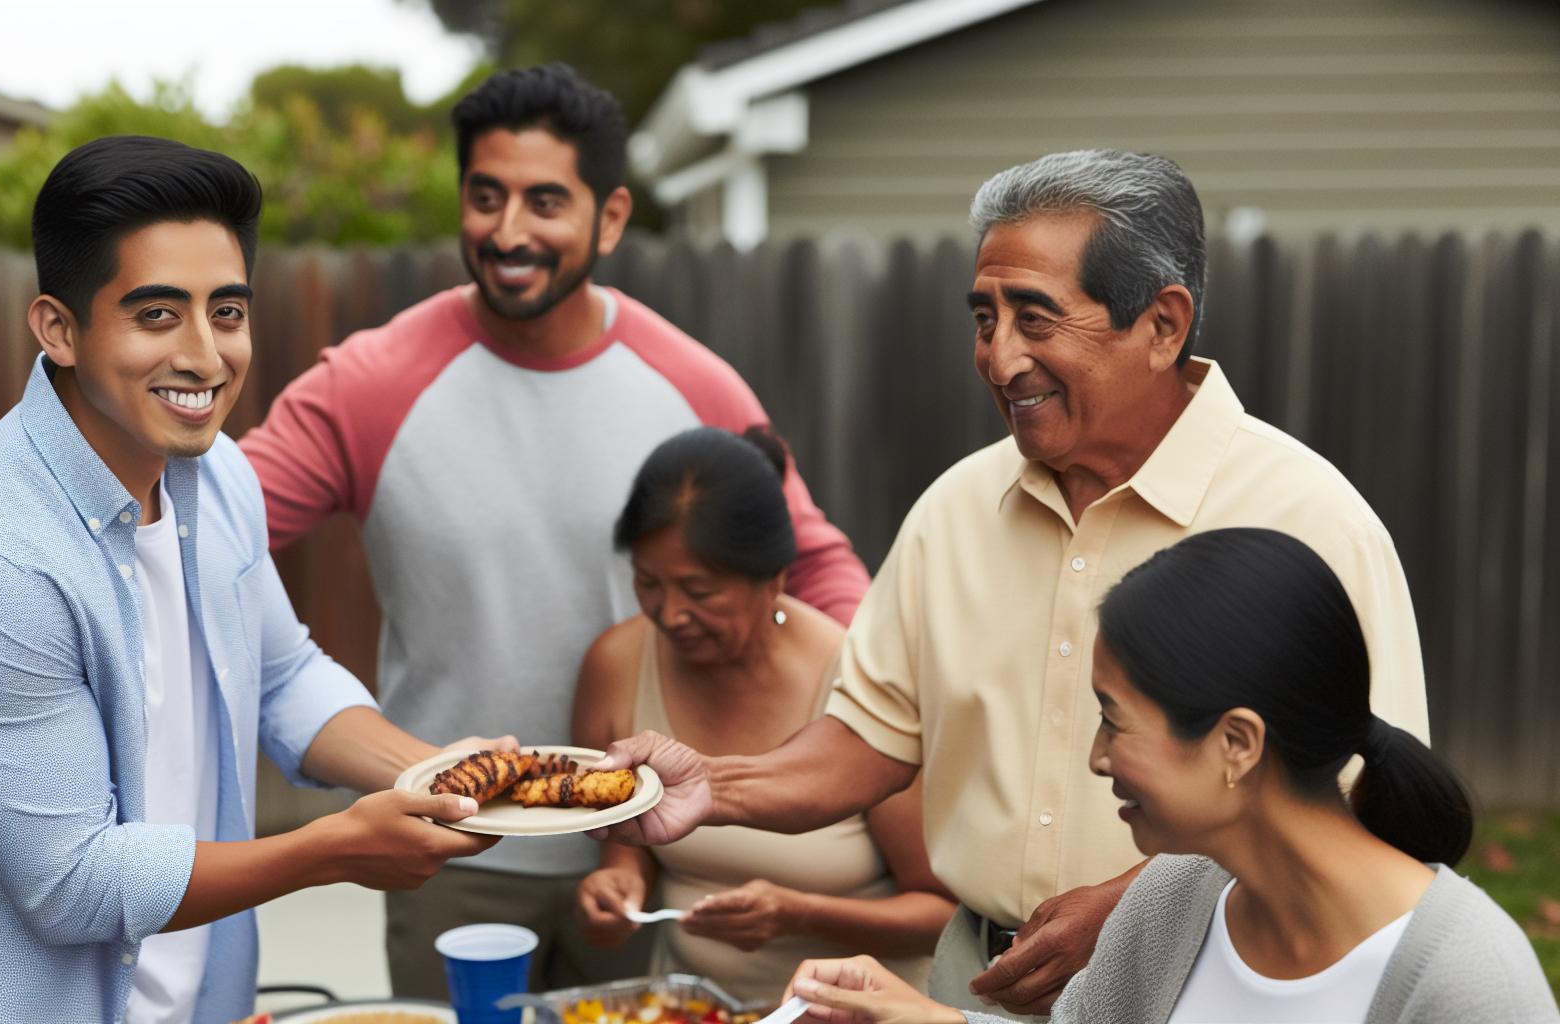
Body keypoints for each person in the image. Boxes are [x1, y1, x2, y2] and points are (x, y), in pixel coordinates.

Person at [595, 149, 1429, 1019]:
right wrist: (707, 788)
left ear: (1163, 324)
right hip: (972, 982)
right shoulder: (954, 511)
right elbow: (866, 741)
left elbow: (1368, 801)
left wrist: (1138, 910)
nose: (999, 358)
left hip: (1211, 987)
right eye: (984, 318)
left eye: (1036, 318)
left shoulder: (1309, 518)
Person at [238, 64, 870, 996]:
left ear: (611, 217)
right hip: (447, 850)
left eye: (544, 201)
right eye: (485, 196)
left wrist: (843, 742)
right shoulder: (369, 384)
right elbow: (211, 531)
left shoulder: (692, 384)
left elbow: (813, 565)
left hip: (634, 849)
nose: (507, 231)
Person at [0, 136, 501, 1024]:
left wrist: (446, 776)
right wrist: (333, 850)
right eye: (157, 315)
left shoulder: (221, 476)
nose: (205, 355)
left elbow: (282, 677)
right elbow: (75, 881)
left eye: (226, 312)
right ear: (59, 329)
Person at [783, 529, 1560, 1024]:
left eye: (1114, 719)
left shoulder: (1466, 982)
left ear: (1236, 744)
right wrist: (909, 1016)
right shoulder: (1177, 896)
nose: (1097, 756)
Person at [573, 427, 954, 1002]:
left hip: (851, 1012)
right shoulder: (616, 664)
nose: (670, 614)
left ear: (774, 577)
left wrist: (799, 914)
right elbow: (626, 843)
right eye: (648, 584)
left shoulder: (862, 683)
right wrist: (616, 885)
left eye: (698, 590)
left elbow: (944, 911)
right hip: (692, 1008)